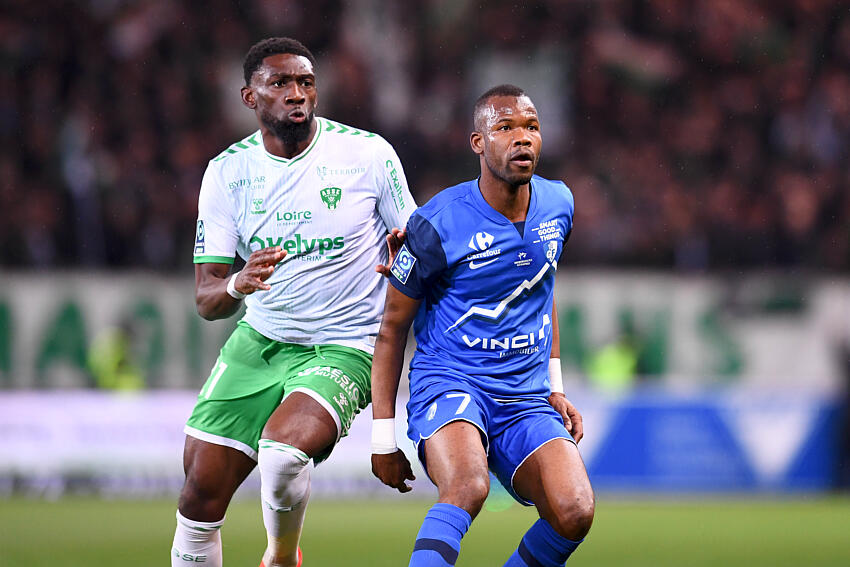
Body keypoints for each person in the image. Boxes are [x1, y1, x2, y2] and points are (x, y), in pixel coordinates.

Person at [171, 37, 416, 567]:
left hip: (347, 344)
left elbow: (417, 243)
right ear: (248, 97)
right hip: (261, 341)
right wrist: (238, 282)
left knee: (283, 456)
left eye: (305, 82)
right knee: (197, 498)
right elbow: (207, 299)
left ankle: (281, 557)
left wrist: (408, 255)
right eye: (279, 83)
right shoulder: (227, 172)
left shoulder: (368, 154)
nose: (296, 94)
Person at [370, 84, 594, 567]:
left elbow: (542, 287)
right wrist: (381, 437)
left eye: (531, 127)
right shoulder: (436, 223)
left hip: (524, 396)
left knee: (574, 511)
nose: (522, 139)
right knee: (467, 486)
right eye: (505, 127)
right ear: (478, 143)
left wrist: (554, 386)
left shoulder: (559, 204)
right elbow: (391, 331)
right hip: (452, 382)